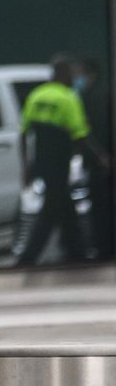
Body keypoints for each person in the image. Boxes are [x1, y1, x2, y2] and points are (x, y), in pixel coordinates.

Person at [16, 55, 108, 266]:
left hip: (40, 160)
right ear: (64, 73)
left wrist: (25, 167)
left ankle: (78, 252)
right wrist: (101, 157)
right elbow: (81, 135)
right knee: (50, 210)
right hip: (59, 161)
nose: (74, 78)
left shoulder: (37, 95)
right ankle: (27, 258)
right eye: (72, 74)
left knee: (65, 207)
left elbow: (23, 134)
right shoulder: (68, 98)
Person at [80, 59, 112, 260]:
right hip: (103, 158)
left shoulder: (88, 97)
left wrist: (100, 156)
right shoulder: (105, 93)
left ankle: (102, 248)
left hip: (98, 160)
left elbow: (85, 131)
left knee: (100, 206)